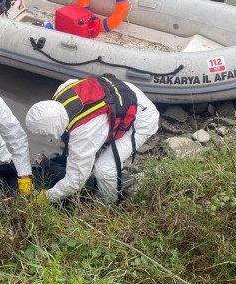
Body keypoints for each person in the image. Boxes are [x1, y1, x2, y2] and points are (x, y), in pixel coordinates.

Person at [25, 74, 159, 203]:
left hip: (142, 118)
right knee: (89, 155)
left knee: (104, 169)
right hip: (122, 93)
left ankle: (108, 205)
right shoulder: (61, 91)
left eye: (46, 133)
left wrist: (46, 197)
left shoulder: (85, 133)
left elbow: (74, 182)